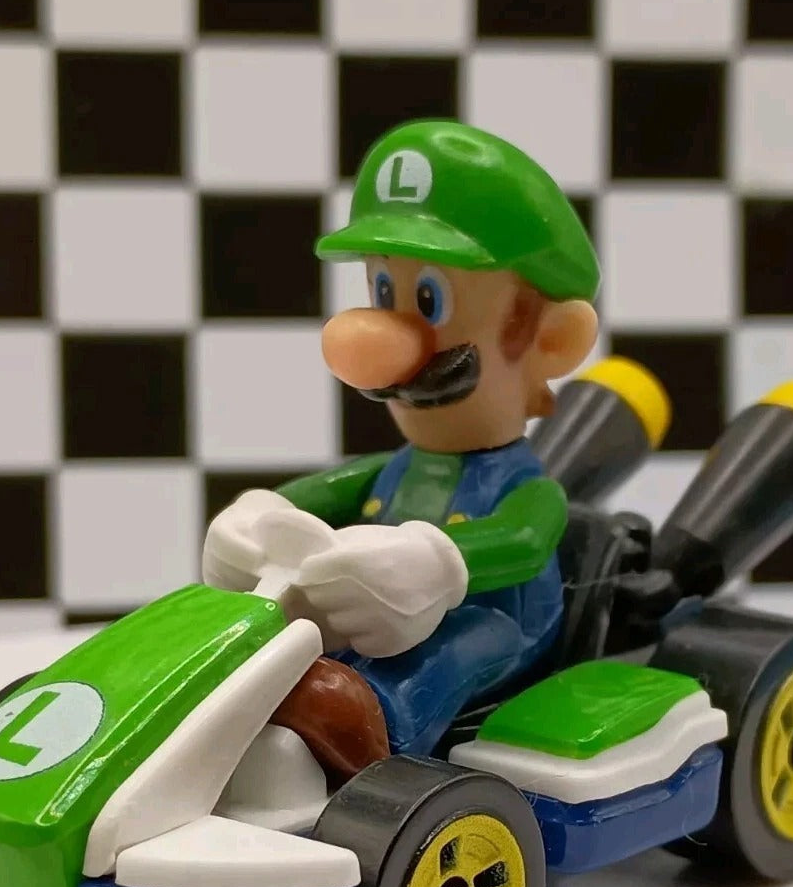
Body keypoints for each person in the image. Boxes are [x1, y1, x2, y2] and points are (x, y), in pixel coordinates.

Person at [202, 118, 601, 784]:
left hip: (500, 622)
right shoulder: (394, 471)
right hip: (384, 608)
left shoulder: (525, 484)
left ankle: (376, 722)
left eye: (429, 300)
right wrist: (259, 514)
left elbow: (525, 538)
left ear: (551, 340)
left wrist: (437, 563)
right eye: (383, 293)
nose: (384, 340)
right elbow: (321, 494)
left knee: (457, 645)